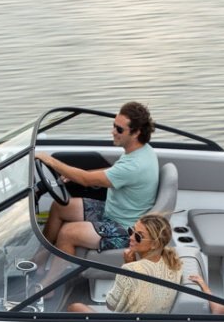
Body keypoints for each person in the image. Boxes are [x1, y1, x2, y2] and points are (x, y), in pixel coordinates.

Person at [37, 102, 160, 257]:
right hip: (113, 212)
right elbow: (112, 173)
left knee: (67, 233)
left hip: (126, 229)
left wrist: (49, 160)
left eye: (119, 129)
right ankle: (39, 258)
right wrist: (75, 174)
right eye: (114, 125)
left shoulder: (134, 165)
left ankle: (58, 273)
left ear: (136, 133)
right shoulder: (141, 151)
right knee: (59, 206)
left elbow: (86, 180)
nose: (113, 132)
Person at [67, 214, 183, 314]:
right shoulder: (174, 263)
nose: (131, 237)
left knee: (75, 307)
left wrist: (128, 267)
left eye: (138, 236)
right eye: (131, 231)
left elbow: (111, 305)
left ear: (154, 244)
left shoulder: (130, 269)